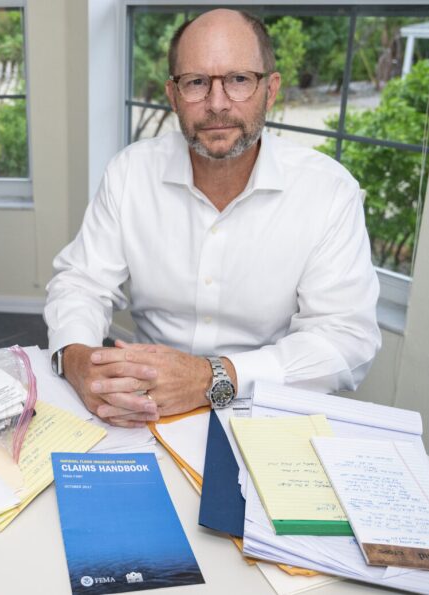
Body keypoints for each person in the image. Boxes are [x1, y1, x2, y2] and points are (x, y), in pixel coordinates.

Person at [44, 9, 381, 428]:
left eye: (239, 80)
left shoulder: (330, 191)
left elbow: (346, 338)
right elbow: (82, 283)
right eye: (197, 82)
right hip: (145, 406)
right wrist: (76, 357)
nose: (217, 104)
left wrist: (213, 377)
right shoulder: (130, 173)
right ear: (173, 95)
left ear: (270, 90)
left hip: (265, 410)